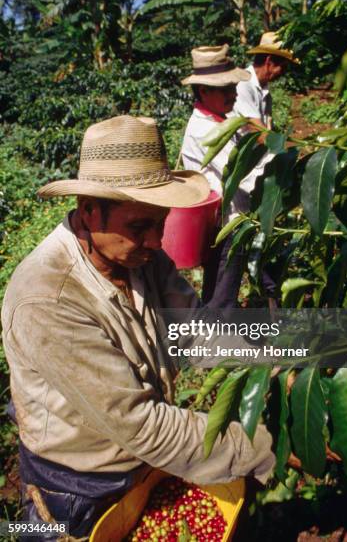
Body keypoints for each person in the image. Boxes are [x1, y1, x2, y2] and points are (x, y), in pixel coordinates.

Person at [1, 115, 275, 540]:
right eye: (138, 227)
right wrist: (263, 448)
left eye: (160, 223)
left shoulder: (140, 257)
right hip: (78, 485)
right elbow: (139, 424)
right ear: (90, 211)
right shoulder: (47, 299)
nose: (155, 241)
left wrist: (280, 362)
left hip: (142, 465)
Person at [181, 45, 273, 308]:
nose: (234, 94)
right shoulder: (205, 130)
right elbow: (241, 176)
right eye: (226, 89)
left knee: (222, 286)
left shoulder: (220, 120)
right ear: (204, 91)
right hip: (227, 224)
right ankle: (213, 343)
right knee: (222, 295)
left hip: (233, 220)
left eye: (234, 87)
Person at [234, 31, 300, 129]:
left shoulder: (264, 90)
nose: (284, 72)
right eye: (283, 67)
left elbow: (266, 127)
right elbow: (257, 130)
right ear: (269, 62)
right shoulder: (244, 84)